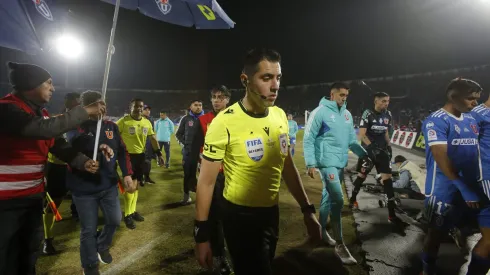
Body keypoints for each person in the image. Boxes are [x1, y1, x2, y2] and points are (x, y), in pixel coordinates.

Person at [194, 49, 321, 275]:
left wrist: (307, 210)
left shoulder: (279, 116)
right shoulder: (224, 122)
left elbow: (287, 166)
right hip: (239, 217)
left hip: (271, 213)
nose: (275, 85)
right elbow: (205, 182)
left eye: (278, 77)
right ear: (245, 80)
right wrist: (202, 235)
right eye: (266, 78)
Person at [0, 62, 106, 275]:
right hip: (5, 202)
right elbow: (41, 129)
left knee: (28, 254)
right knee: (5, 258)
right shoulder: (6, 108)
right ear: (31, 84)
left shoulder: (43, 113)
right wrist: (84, 111)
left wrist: (82, 161)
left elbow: (59, 145)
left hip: (31, 198)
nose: (53, 88)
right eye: (48, 83)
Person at [420, 78, 490, 275]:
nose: (475, 103)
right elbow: (440, 156)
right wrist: (463, 187)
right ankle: (427, 269)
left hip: (470, 187)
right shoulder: (436, 120)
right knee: (435, 236)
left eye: (477, 98)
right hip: (444, 189)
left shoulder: (471, 118)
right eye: (470, 98)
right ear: (453, 97)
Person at [67, 90, 135, 275]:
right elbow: (73, 145)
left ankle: (102, 245)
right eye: (97, 104)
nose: (102, 108)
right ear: (87, 107)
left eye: (103, 103)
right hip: (83, 188)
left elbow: (121, 151)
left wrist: (127, 174)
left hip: (108, 185)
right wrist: (97, 146)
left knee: (114, 220)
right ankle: (89, 267)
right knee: (88, 230)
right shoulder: (75, 125)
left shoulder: (111, 126)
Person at [303, 82, 366, 265]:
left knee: (326, 198)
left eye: (346, 95)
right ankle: (340, 244)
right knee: (338, 199)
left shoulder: (346, 115)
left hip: (339, 163)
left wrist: (364, 154)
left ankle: (321, 232)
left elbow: (351, 141)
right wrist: (310, 163)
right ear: (332, 94)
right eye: (341, 95)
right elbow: (308, 139)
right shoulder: (320, 112)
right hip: (326, 163)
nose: (344, 98)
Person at [190, 85, 232, 275]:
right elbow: (193, 150)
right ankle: (220, 256)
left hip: (234, 176)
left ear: (228, 99)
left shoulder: (236, 119)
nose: (217, 100)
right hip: (212, 177)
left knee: (233, 216)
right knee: (215, 218)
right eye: (214, 97)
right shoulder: (203, 121)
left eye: (221, 97)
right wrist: (190, 177)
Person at [348, 92, 405, 232]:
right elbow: (361, 134)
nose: (386, 103)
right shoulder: (368, 114)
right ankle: (352, 200)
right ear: (376, 101)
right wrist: (371, 147)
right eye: (384, 101)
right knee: (361, 176)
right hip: (369, 152)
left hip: (382, 152)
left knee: (388, 180)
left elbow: (385, 132)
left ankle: (392, 215)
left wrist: (389, 146)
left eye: (388, 101)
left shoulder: (388, 115)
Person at [42, 92, 82, 255]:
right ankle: (47, 240)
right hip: (58, 168)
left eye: (78, 104)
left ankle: (76, 214)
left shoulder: (83, 123)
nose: (77, 107)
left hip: (77, 167)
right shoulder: (58, 121)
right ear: (67, 104)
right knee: (53, 204)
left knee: (81, 196)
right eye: (74, 104)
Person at [116, 99, 164, 229]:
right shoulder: (123, 121)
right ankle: (127, 215)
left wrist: (159, 153)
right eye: (136, 106)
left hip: (140, 156)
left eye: (141, 107)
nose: (138, 108)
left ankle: (132, 211)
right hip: (127, 157)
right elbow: (114, 136)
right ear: (130, 107)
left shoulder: (146, 122)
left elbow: (153, 138)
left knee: (136, 186)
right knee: (130, 187)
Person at [176, 100, 204, 204]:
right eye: (195, 105)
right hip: (188, 153)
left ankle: (202, 198)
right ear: (190, 106)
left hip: (202, 153)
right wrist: (185, 145)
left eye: (200, 105)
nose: (198, 107)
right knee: (187, 175)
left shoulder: (205, 119)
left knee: (203, 176)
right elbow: (178, 134)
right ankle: (186, 197)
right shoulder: (185, 119)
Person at [143, 105, 156, 185]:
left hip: (149, 142)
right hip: (140, 143)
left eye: (149, 110)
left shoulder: (151, 119)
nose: (147, 111)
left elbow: (152, 133)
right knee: (140, 161)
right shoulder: (139, 119)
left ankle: (147, 178)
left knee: (148, 161)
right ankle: (139, 178)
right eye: (145, 110)